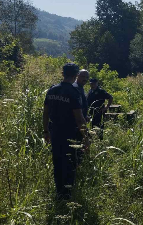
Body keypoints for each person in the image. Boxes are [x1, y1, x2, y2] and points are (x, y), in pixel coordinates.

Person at [43, 63, 89, 200]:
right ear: (76, 76)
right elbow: (80, 119)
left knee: (57, 162)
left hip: (55, 132)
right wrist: (86, 137)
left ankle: (59, 192)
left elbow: (45, 113)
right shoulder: (74, 93)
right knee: (70, 163)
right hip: (70, 134)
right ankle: (67, 195)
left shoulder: (52, 90)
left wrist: (46, 131)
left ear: (62, 74)